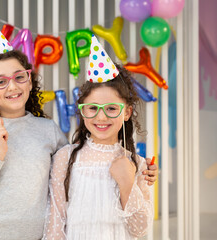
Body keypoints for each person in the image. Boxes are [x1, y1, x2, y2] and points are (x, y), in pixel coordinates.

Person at [0, 14, 157, 240]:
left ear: (30, 81)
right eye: (0, 81)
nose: (12, 86)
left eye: (19, 77)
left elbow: (77, 166)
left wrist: (141, 173)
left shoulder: (47, 130)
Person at [43, 35, 154, 240]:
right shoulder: (65, 158)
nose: (101, 117)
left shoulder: (135, 164)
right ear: (82, 111)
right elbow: (55, 221)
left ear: (127, 113)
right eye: (92, 108)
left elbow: (140, 229)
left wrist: (127, 183)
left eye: (111, 108)